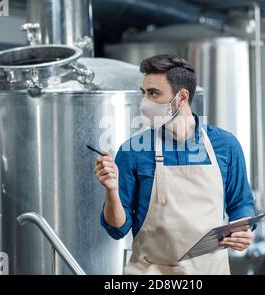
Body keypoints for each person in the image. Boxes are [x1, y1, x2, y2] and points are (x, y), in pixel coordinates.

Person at [94, 54, 255, 275]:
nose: (144, 103)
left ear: (181, 97)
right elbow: (117, 228)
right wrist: (111, 191)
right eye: (144, 93)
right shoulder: (132, 151)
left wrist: (242, 229)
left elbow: (240, 203)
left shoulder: (225, 145)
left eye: (154, 94)